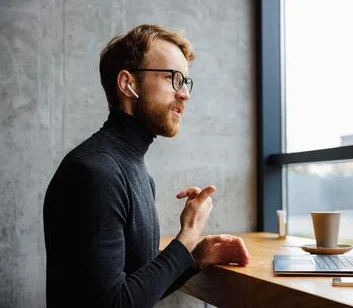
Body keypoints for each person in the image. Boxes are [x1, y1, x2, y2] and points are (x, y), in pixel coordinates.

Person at [43, 24, 250, 308]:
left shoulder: (134, 170)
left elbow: (136, 290)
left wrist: (193, 257)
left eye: (185, 82)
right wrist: (186, 238)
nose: (184, 94)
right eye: (173, 78)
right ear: (128, 83)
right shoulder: (96, 171)